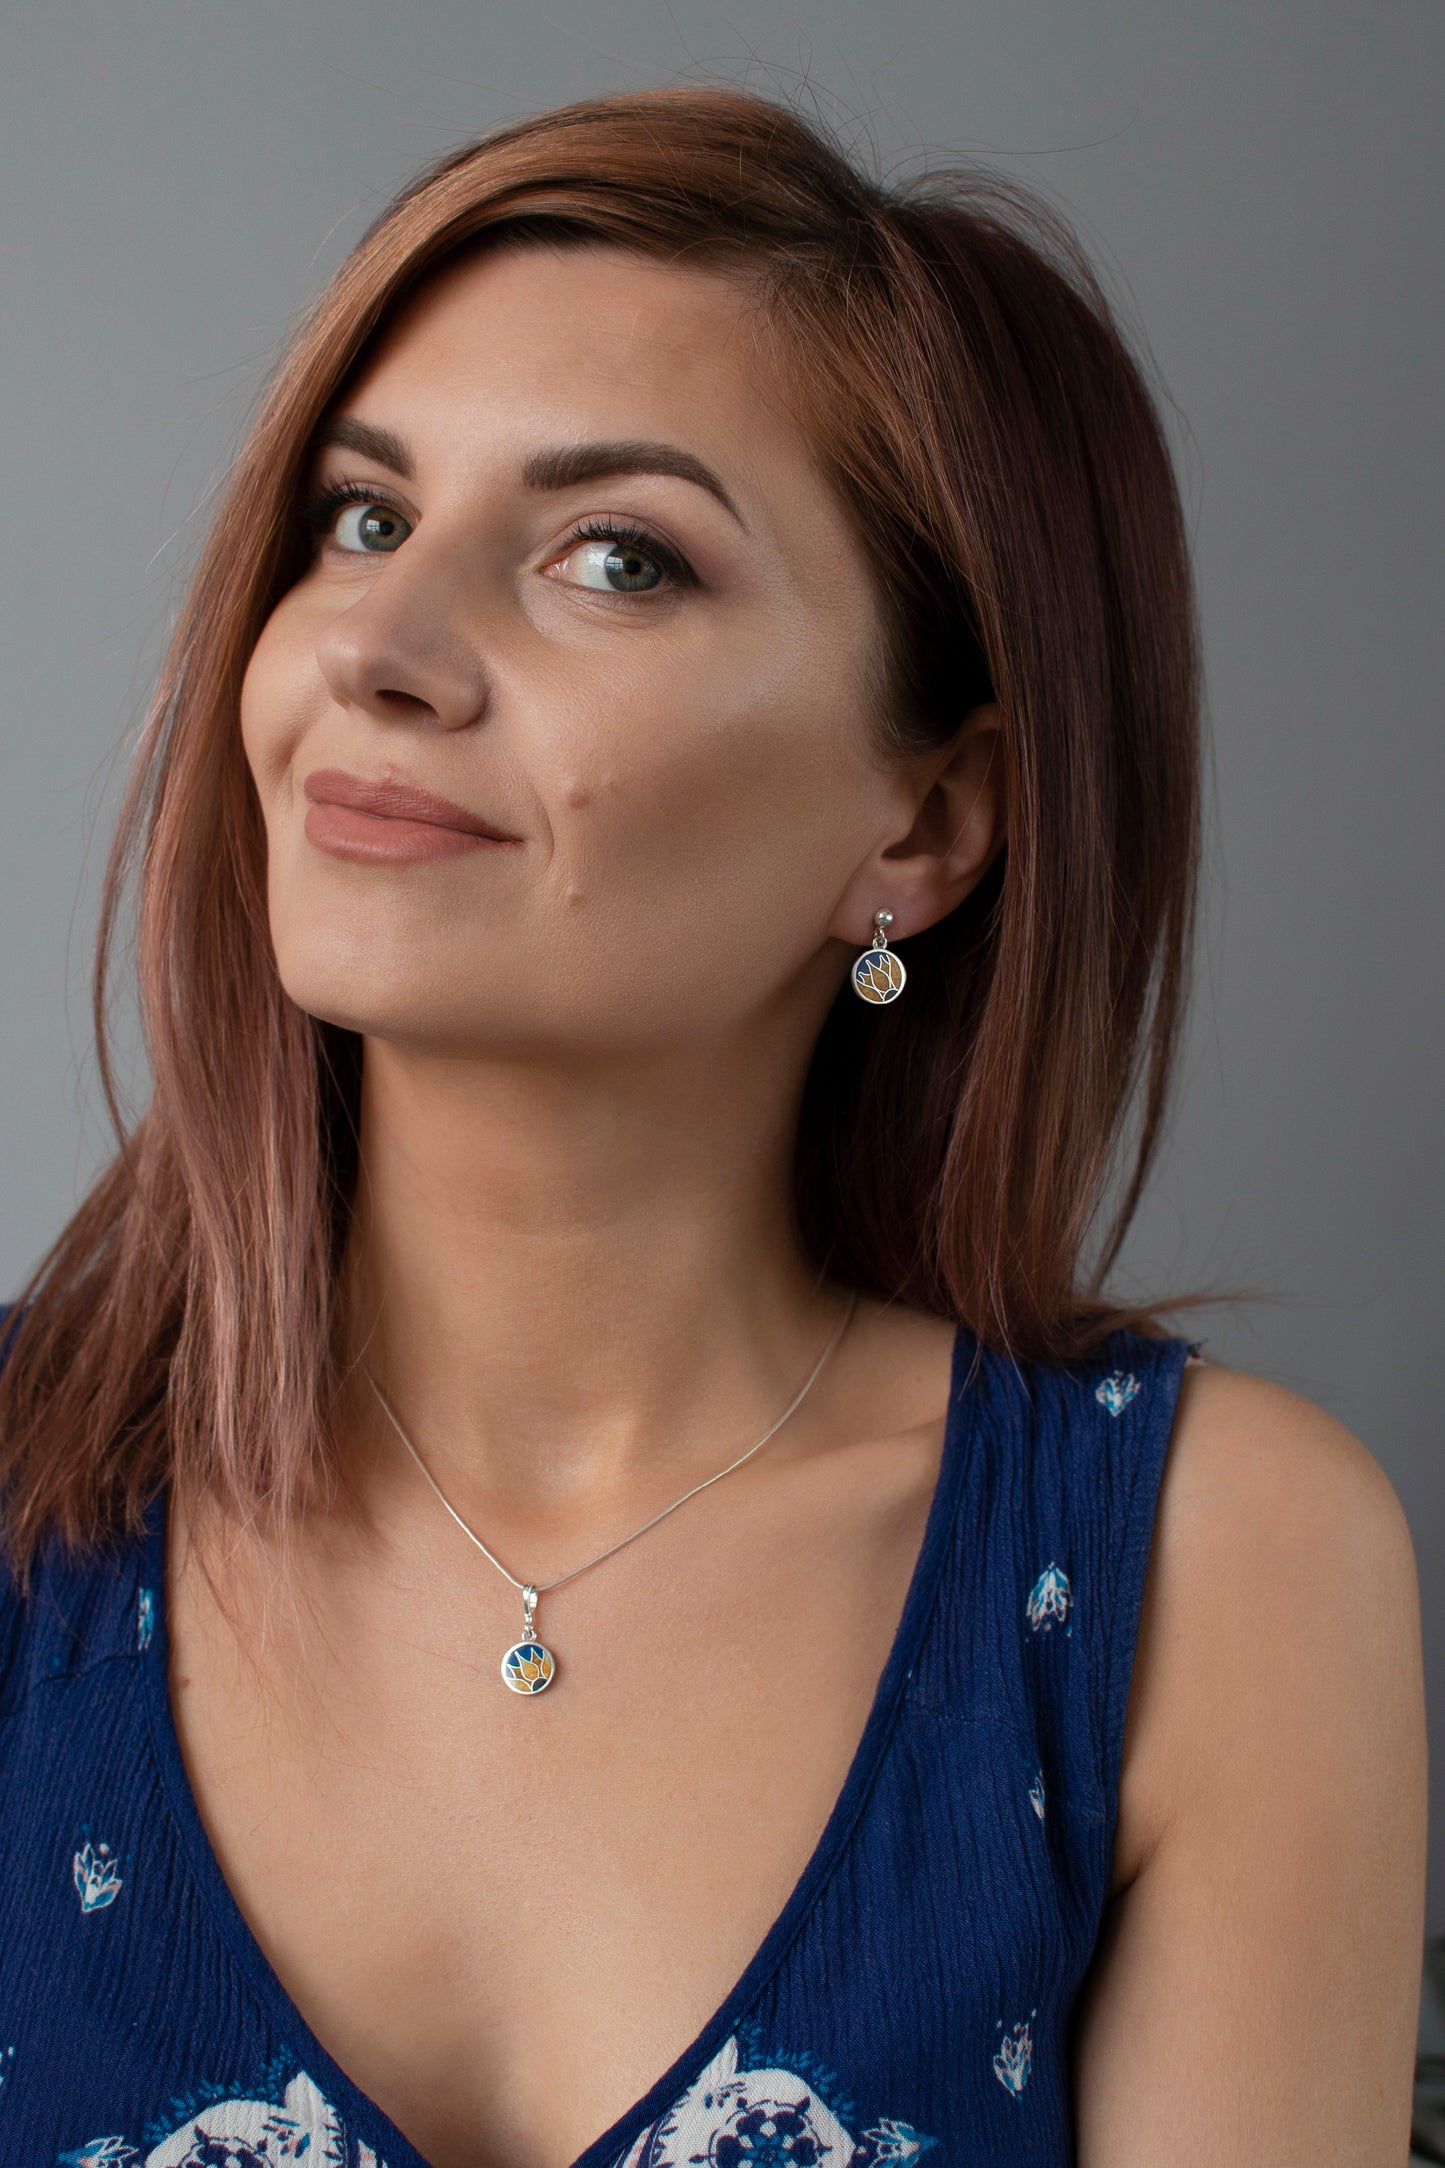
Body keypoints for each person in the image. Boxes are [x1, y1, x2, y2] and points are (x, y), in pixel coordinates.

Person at [0, 84, 1425, 2168]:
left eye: (615, 557)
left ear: (924, 820)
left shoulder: (1211, 1572)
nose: (377, 649)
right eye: (364, 517)